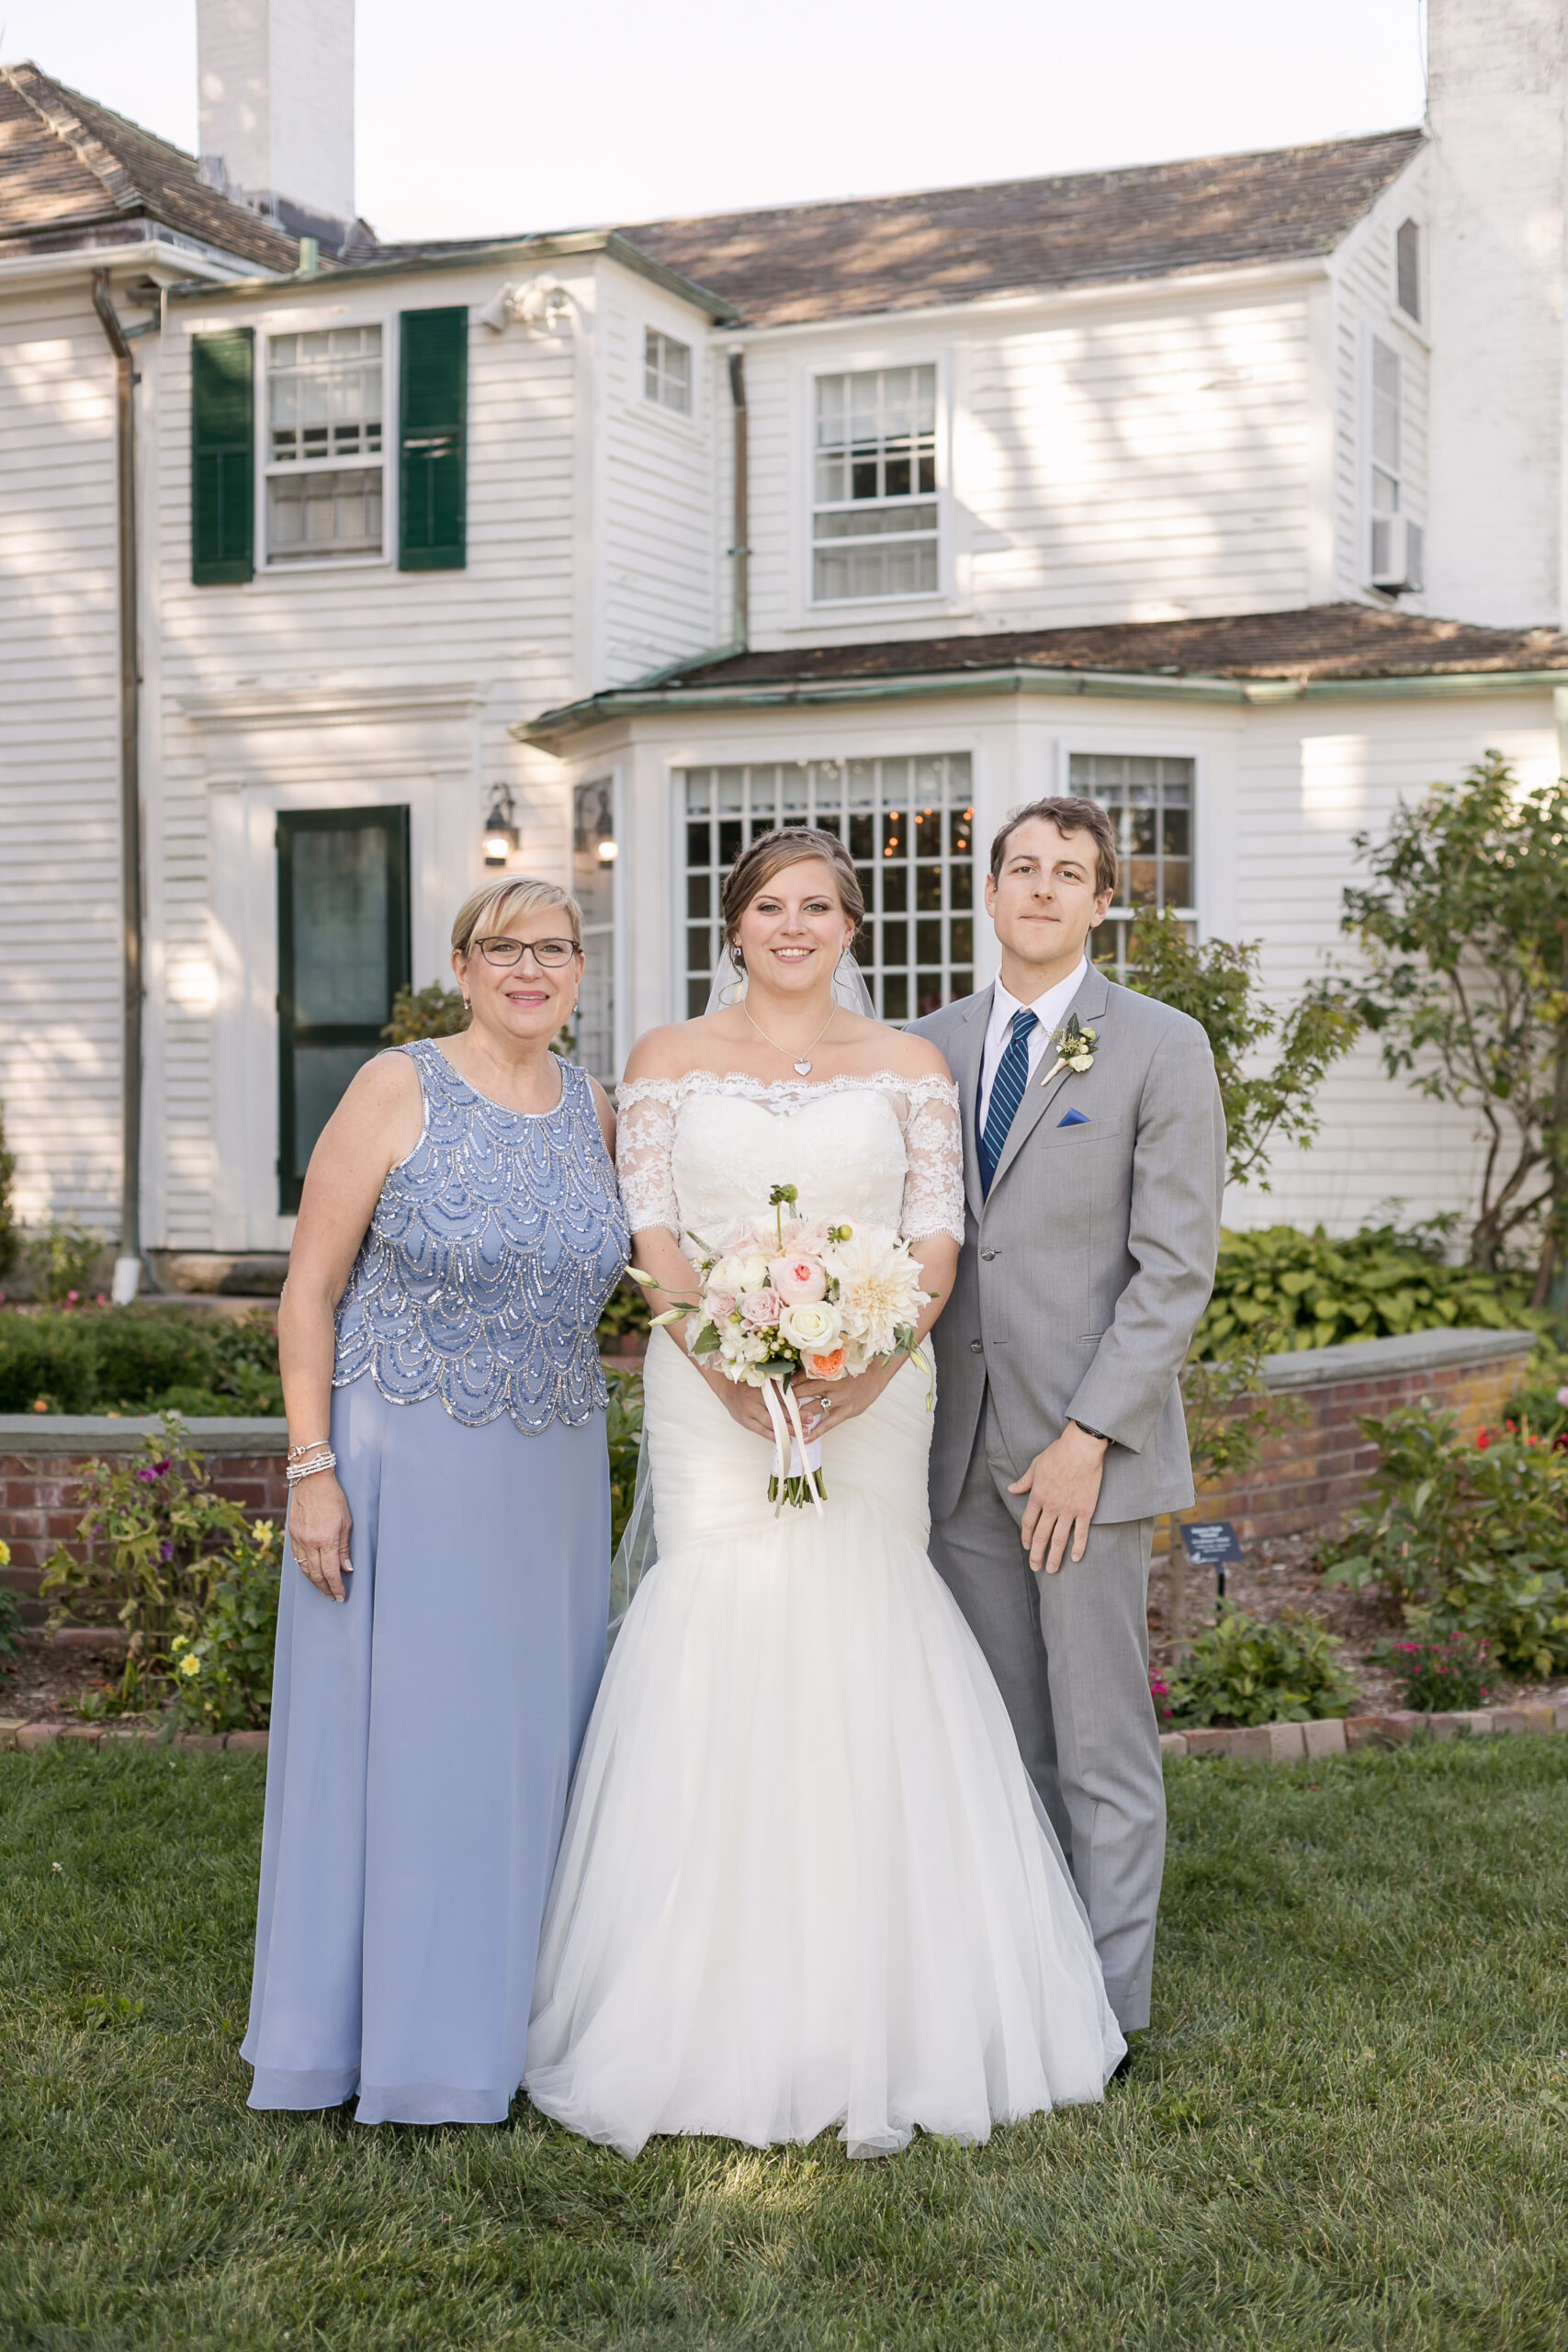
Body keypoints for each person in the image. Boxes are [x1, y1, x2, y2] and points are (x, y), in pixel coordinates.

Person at [524, 826, 1124, 2160]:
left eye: (818, 907)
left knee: (866, 1632)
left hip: (870, 1395)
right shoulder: (666, 1062)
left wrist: (869, 1358)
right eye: (767, 907)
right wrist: (728, 1365)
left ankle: (886, 2001)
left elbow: (934, 1237)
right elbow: (655, 1235)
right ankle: (692, 2008)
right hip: (708, 1396)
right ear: (731, 927)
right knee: (718, 1629)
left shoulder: (909, 1067)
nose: (792, 926)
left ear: (853, 928)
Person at [243, 876, 629, 2127]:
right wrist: (313, 1472)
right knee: (411, 1746)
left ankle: (514, 2023)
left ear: (582, 970)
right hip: (402, 1464)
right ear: (461, 965)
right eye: (505, 947)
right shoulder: (395, 1088)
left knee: (533, 1747)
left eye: (555, 949)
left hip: (552, 1471)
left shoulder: (600, 1110)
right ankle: (393, 2046)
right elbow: (308, 1292)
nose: (532, 968)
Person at [911, 797, 1224, 2052]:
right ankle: (1025, 1985)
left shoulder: (1158, 1046)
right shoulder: (923, 1048)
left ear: (1103, 903)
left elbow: (1174, 1271)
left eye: (1070, 874)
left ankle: (1106, 2012)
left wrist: (1089, 1438)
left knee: (1100, 1739)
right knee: (1002, 1733)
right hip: (951, 1442)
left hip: (1080, 1454)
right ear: (990, 894)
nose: (1042, 889)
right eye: (1022, 868)